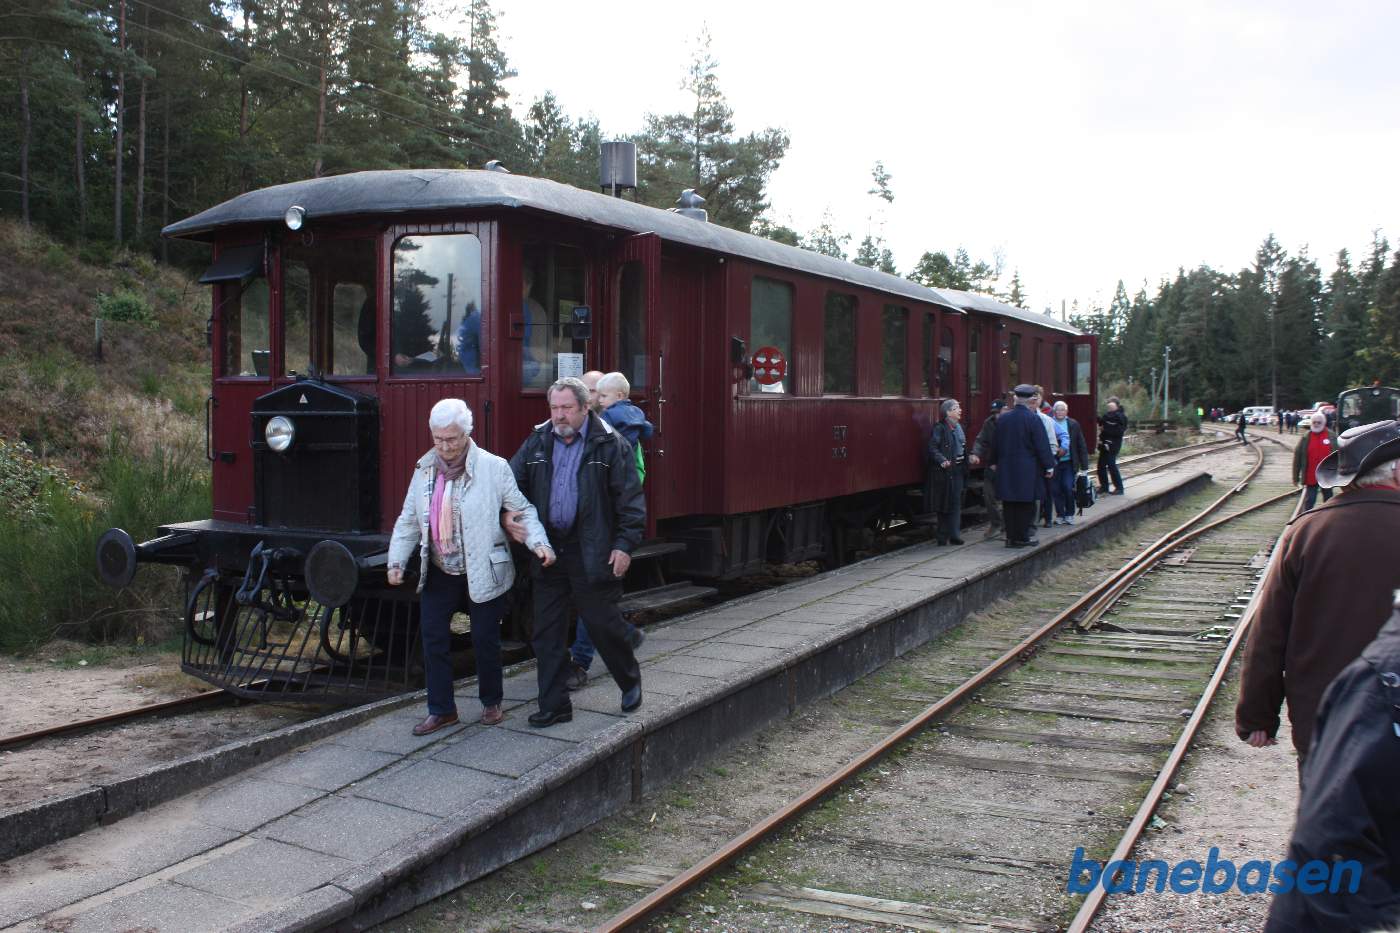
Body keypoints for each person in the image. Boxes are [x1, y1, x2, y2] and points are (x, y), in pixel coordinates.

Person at [1236, 419, 1400, 766]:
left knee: (1328, 815)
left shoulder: (1308, 531)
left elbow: (1269, 632)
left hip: (1324, 718)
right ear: (1396, 471)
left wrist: (1257, 716)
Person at [387, 399, 555, 735]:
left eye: (451, 439)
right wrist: (396, 560)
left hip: (483, 567)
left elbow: (520, 510)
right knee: (433, 639)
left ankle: (491, 702)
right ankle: (442, 710)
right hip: (439, 567)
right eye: (437, 439)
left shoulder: (493, 467)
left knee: (484, 639)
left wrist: (539, 543)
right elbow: (409, 520)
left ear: (467, 434)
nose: (444, 447)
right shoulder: (424, 469)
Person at [509, 377, 645, 727]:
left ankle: (629, 681)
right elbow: (511, 485)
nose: (559, 415)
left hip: (592, 550)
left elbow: (630, 503)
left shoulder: (611, 445)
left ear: (586, 408)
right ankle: (555, 705)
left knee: (602, 624)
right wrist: (508, 516)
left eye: (567, 408)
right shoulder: (537, 442)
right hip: (549, 552)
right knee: (547, 632)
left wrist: (624, 546)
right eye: (554, 408)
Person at [1262, 592, 1400, 933]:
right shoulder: (1385, 682)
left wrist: (1257, 711)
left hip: (1315, 718)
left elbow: (1271, 627)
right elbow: (1333, 834)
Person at [566, 370, 649, 691]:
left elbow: (635, 477)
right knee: (592, 598)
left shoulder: (619, 434)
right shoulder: (570, 431)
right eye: (585, 392)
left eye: (592, 392)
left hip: (605, 531)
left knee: (594, 597)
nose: (589, 398)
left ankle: (581, 662)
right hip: (574, 530)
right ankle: (624, 636)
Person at [992, 384, 1055, 548]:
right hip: (1027, 471)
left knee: (1009, 504)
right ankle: (1022, 537)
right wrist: (1049, 466)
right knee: (1025, 505)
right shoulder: (1034, 419)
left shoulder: (1003, 419)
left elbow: (995, 444)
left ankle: (1010, 538)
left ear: (1016, 399)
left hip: (1006, 468)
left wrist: (993, 462)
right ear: (1032, 400)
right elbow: (1042, 446)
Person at [969, 392, 1013, 541]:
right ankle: (996, 523)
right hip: (991, 466)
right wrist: (975, 453)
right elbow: (981, 440)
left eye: (998, 413)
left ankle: (1008, 526)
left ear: (1005, 411)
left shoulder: (1011, 423)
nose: (996, 416)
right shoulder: (988, 423)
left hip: (1006, 467)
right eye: (993, 413)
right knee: (988, 496)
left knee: (1007, 497)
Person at [926, 398, 967, 546]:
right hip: (945, 472)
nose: (960, 410)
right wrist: (942, 460)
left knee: (956, 503)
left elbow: (962, 447)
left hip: (958, 470)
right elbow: (932, 447)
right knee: (944, 504)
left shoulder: (958, 427)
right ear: (948, 412)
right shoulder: (940, 428)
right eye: (956, 408)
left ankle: (955, 535)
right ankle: (942, 537)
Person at [1052, 401, 1089, 525]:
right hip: (1055, 462)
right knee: (1056, 490)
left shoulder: (1073, 424)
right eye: (1058, 410)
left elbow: (1081, 444)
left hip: (1069, 462)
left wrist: (1084, 466)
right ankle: (1060, 515)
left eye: (1062, 410)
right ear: (1054, 411)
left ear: (1066, 412)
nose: (1060, 412)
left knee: (1067, 487)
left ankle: (1069, 514)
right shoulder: (1050, 423)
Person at [1292, 412, 1338, 512]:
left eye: (1319, 422)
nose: (1316, 424)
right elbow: (1297, 458)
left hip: (1327, 476)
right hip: (1311, 476)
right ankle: (1305, 520)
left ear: (1324, 423)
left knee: (1329, 501)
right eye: (1314, 422)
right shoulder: (1305, 437)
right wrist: (1295, 477)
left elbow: (1339, 455)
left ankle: (1327, 520)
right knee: (1310, 501)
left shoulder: (1332, 436)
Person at [1035, 387, 1067, 526]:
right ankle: (1035, 519)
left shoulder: (1047, 418)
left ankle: (1047, 518)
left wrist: (1063, 448)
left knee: (1048, 490)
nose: (1035, 400)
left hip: (1046, 458)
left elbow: (1063, 434)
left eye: (1038, 397)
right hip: (1034, 459)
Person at [1097, 397, 1127, 493]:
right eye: (1108, 406)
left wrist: (1105, 429)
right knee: (1101, 465)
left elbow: (1119, 432)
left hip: (1114, 444)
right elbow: (1102, 422)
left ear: (1116, 406)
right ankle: (1104, 487)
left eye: (1111, 406)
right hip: (1104, 443)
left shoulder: (1121, 417)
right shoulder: (1107, 416)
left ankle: (1119, 488)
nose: (1109, 408)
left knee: (1111, 464)